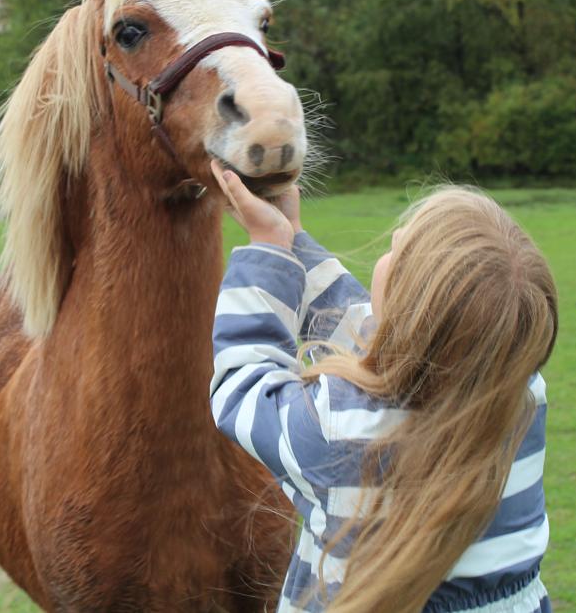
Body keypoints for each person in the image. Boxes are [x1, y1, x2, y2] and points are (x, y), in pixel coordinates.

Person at [209, 161, 557, 613]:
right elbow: (397, 342)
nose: (385, 257)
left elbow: (242, 382)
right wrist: (293, 237)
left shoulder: (338, 428)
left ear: (403, 302)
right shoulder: (520, 392)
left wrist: (269, 252)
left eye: (395, 252)